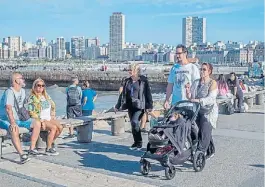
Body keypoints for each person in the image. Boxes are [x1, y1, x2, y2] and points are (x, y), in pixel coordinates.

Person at [0, 72, 41, 163]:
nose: (23, 80)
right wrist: (13, 123)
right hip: (5, 119)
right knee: (14, 129)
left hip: (19, 118)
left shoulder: (22, 91)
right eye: (21, 78)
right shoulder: (9, 92)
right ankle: (22, 154)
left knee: (37, 123)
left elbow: (24, 106)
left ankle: (32, 148)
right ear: (16, 81)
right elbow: (8, 108)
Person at [115, 63, 153, 150]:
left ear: (136, 70)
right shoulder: (127, 81)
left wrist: (150, 105)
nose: (129, 71)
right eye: (128, 70)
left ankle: (139, 142)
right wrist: (118, 105)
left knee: (135, 122)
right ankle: (136, 142)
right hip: (130, 105)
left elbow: (148, 93)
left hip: (140, 105)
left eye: (131, 70)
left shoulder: (143, 80)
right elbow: (122, 95)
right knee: (133, 124)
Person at [186, 63, 218, 159]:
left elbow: (211, 98)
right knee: (203, 131)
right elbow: (191, 97)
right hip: (197, 110)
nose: (202, 71)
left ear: (209, 71)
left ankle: (200, 153)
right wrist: (188, 92)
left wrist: (199, 100)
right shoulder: (196, 82)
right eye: (201, 69)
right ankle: (210, 150)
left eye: (204, 69)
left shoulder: (212, 83)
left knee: (205, 130)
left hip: (208, 111)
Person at [27, 78, 63, 156]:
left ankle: (50, 142)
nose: (41, 87)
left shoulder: (46, 96)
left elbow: (53, 105)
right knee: (53, 128)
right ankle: (49, 148)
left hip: (49, 117)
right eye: (39, 85)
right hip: (41, 119)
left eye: (43, 86)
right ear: (34, 86)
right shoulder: (32, 98)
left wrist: (53, 113)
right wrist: (41, 121)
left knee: (60, 127)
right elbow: (31, 112)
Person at [164, 44, 200, 110]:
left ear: (185, 53)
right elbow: (170, 85)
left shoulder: (192, 67)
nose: (177, 55)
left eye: (179, 53)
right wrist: (167, 100)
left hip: (189, 103)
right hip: (175, 104)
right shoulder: (174, 68)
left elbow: (197, 86)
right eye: (176, 53)